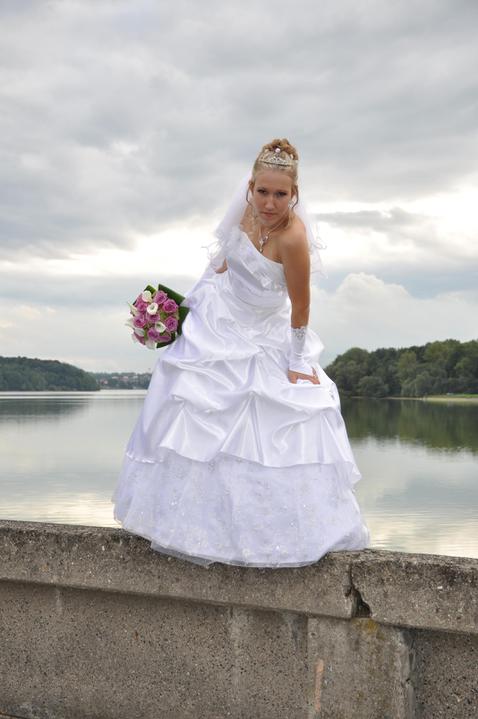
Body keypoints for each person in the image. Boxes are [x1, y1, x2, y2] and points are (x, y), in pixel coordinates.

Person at [111, 137, 371, 567]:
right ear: (250, 187)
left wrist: (297, 362)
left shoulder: (293, 238)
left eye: (280, 194)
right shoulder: (245, 214)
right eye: (262, 191)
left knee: (267, 426)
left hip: (264, 333)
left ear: (294, 194)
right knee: (188, 405)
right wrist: (179, 309)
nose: (269, 203)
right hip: (219, 318)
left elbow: (301, 306)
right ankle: (192, 526)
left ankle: (266, 537)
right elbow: (221, 264)